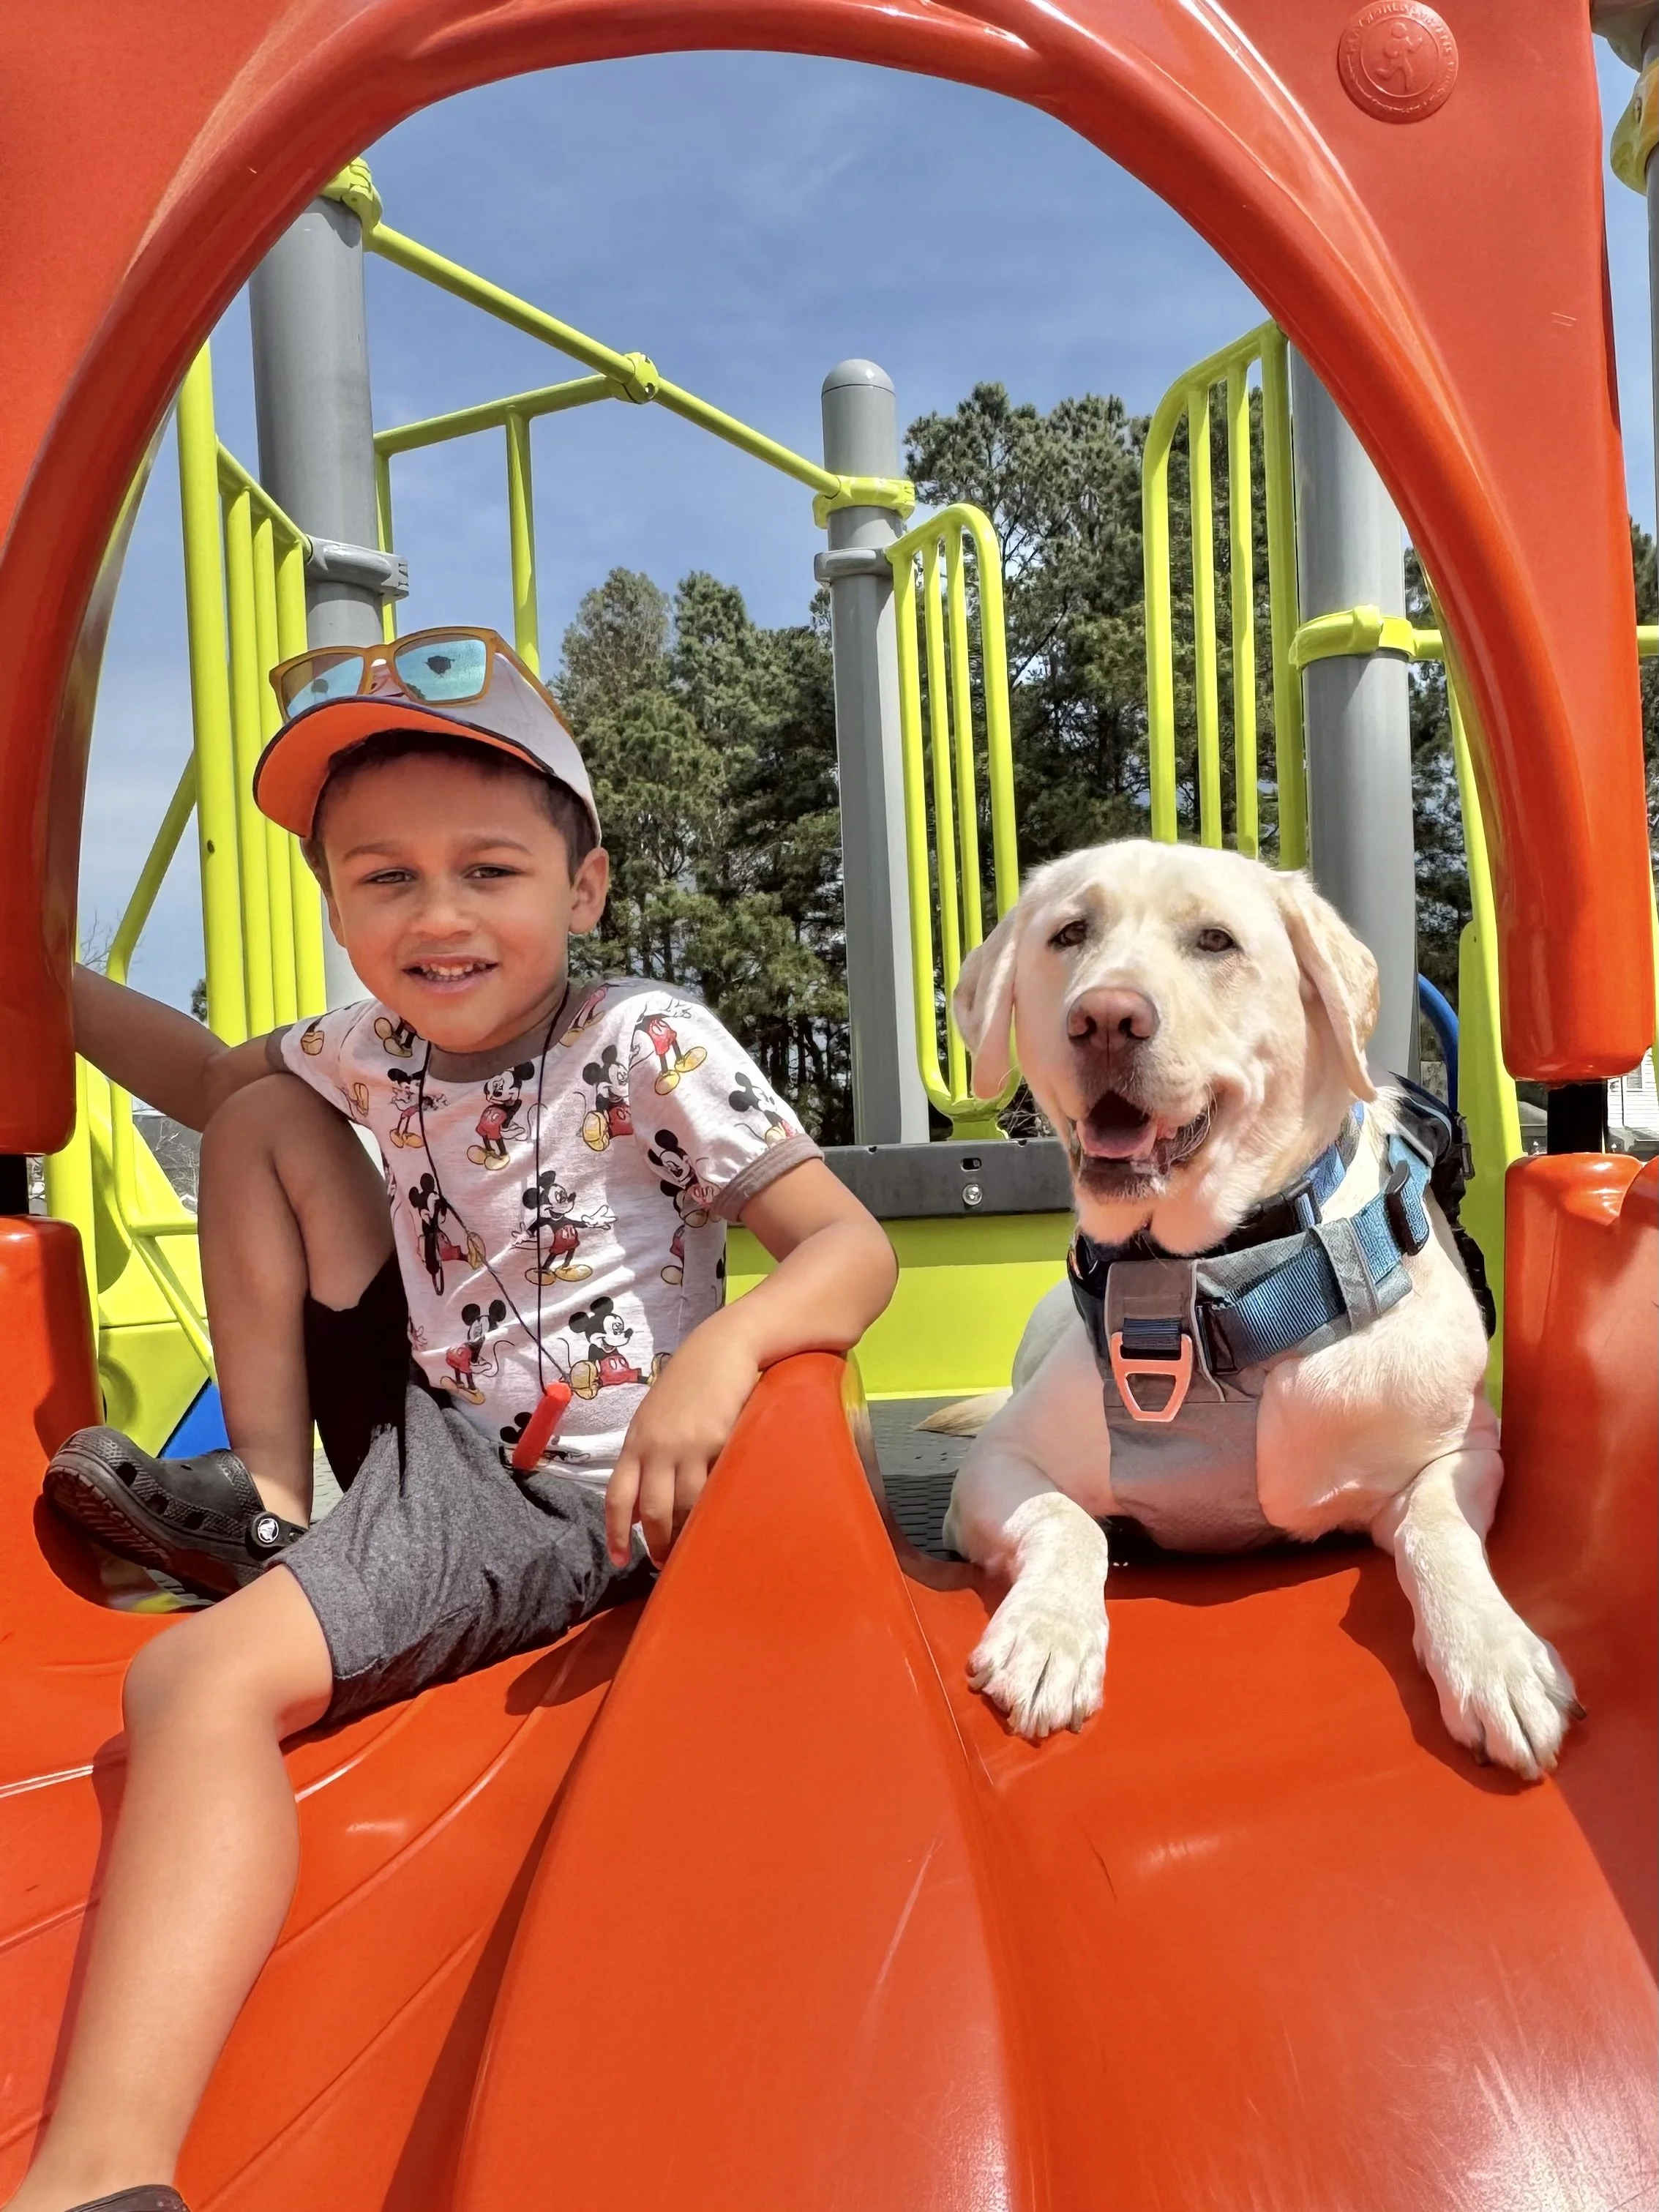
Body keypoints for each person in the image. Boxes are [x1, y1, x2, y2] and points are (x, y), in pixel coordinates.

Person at [15, 626, 897, 2212]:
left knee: (193, 1685)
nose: (436, 914)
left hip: (573, 1482)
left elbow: (849, 1246)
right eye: (381, 876)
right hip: (432, 1423)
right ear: (338, 903)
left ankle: (91, 2176)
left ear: (584, 886)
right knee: (261, 1107)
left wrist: (724, 1355)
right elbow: (205, 1070)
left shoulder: (646, 1041)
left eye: (487, 868)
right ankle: (272, 1494)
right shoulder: (374, 1045)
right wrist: (35, 974)